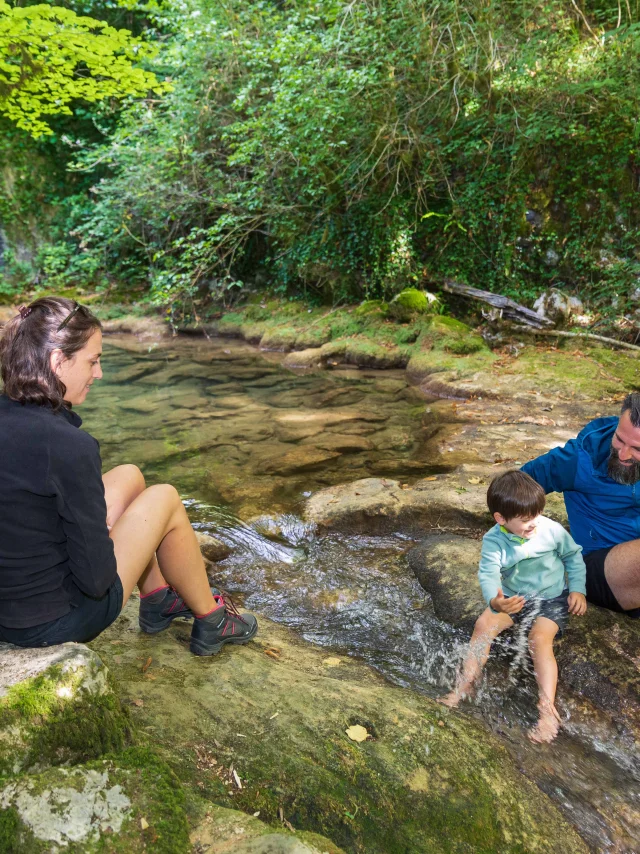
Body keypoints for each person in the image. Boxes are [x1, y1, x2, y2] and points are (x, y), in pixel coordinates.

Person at [0, 296, 257, 655]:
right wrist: (106, 533)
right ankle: (212, 620)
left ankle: (157, 597)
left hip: (8, 610)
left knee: (130, 476)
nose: (99, 373)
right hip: (51, 621)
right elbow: (97, 579)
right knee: (164, 497)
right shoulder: (68, 446)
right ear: (58, 362)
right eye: (93, 361)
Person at [439, 470, 587, 743]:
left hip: (551, 598)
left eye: (537, 516)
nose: (534, 524)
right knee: (482, 626)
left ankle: (547, 710)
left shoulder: (550, 529)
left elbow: (573, 556)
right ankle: (464, 686)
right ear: (501, 519)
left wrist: (578, 589)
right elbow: (488, 573)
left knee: (539, 640)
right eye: (526, 521)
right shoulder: (494, 540)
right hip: (512, 597)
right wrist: (496, 600)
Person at [522, 392, 640, 619]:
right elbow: (516, 485)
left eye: (637, 449)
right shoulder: (579, 459)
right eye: (619, 439)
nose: (623, 454)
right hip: (596, 568)